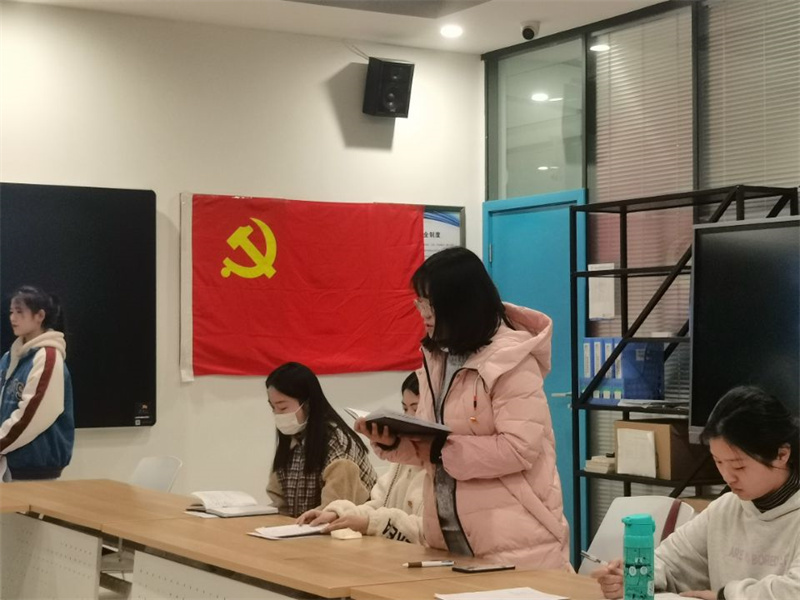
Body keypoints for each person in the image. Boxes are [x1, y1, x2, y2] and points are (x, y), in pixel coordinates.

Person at [355, 247, 570, 569]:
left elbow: (518, 449)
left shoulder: (512, 360)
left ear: (459, 304)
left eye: (430, 304)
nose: (423, 314)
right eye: (419, 303)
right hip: (447, 539)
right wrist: (395, 442)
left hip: (515, 540)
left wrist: (441, 450)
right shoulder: (437, 359)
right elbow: (432, 448)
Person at [592, 386, 800, 600]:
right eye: (719, 462)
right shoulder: (725, 509)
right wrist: (636, 577)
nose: (728, 477)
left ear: (781, 455)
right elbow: (670, 561)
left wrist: (724, 596)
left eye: (738, 466)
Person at [297, 372, 426, 543]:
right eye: (405, 409)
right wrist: (338, 514)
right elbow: (377, 505)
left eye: (415, 409)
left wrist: (370, 523)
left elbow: (426, 533)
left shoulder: (446, 463)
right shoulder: (402, 461)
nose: (408, 417)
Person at [265, 362, 377, 517]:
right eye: (273, 408)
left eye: (282, 407)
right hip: (303, 529)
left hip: (344, 528)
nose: (277, 414)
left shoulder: (338, 443)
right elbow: (280, 505)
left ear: (307, 404)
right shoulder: (292, 441)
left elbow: (335, 512)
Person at [0, 285, 74, 481]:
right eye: (11, 312)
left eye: (19, 312)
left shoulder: (48, 358)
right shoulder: (10, 357)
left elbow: (32, 417)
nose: (13, 318)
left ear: (39, 316)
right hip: (10, 463)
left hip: (36, 468)